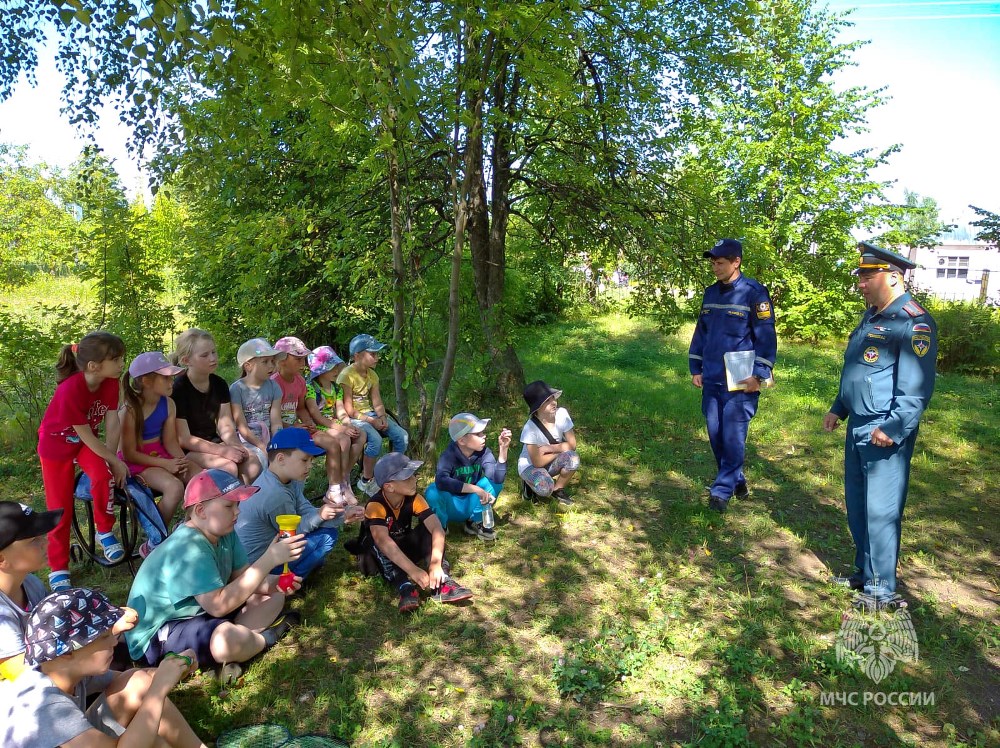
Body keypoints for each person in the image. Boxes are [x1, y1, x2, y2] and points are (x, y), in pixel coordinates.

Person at [823, 242, 937, 611]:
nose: (861, 284)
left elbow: (916, 389)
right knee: (858, 506)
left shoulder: (914, 321)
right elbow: (859, 367)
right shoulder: (873, 316)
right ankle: (864, 572)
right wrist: (839, 408)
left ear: (893, 276)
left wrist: (894, 427)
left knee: (881, 511)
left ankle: (881, 589)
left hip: (883, 431)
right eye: (860, 276)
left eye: (867, 277)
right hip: (858, 424)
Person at [124, 469, 304, 676]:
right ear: (201, 511)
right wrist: (268, 559)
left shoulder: (225, 532)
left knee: (274, 597)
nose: (237, 512)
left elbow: (244, 578)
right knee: (225, 640)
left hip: (201, 614)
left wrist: (277, 584)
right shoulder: (189, 547)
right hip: (160, 633)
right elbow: (218, 606)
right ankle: (265, 639)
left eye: (237, 505)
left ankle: (239, 644)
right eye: (229, 506)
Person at [2, 587, 207, 748]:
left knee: (139, 684)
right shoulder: (47, 707)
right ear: (67, 651)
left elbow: (140, 683)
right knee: (145, 738)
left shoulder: (66, 671)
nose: (114, 643)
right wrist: (159, 689)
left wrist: (176, 667)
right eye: (103, 637)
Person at [688, 238, 777, 514]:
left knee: (733, 436)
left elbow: (766, 336)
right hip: (712, 376)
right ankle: (737, 480)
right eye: (713, 263)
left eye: (720, 262)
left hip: (741, 379)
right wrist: (696, 367)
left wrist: (759, 374)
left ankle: (721, 491)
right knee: (716, 435)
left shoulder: (754, 293)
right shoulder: (710, 293)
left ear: (736, 262)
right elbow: (701, 331)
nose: (715, 267)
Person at [37, 331, 129, 590]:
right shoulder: (70, 390)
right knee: (60, 507)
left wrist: (111, 460)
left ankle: (105, 532)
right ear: (94, 366)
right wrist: (114, 459)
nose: (122, 364)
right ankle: (58, 566)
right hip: (56, 446)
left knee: (102, 476)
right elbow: (86, 434)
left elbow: (112, 421)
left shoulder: (111, 382)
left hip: (84, 444)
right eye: (117, 359)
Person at [347, 453, 472, 613]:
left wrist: (435, 564)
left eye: (413, 475)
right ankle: (404, 587)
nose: (414, 479)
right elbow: (384, 542)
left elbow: (437, 528)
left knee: (427, 529)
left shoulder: (414, 498)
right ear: (389, 486)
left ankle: (442, 581)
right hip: (374, 559)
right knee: (376, 541)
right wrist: (413, 570)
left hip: (402, 547)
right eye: (407, 478)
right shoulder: (375, 505)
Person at [236, 428, 363, 581]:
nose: (310, 466)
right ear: (281, 459)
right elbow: (293, 533)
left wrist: (343, 515)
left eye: (311, 460)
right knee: (327, 536)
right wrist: (320, 515)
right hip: (258, 569)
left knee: (322, 531)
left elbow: (304, 510)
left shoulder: (286, 479)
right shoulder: (275, 494)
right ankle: (289, 581)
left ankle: (302, 565)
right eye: (304, 460)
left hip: (266, 555)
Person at [273, 336, 357, 505]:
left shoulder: (299, 381)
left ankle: (334, 490)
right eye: (298, 359)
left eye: (304, 358)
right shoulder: (274, 383)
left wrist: (307, 422)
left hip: (301, 428)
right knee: (300, 454)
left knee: (333, 444)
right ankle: (292, 497)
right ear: (281, 360)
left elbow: (301, 408)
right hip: (281, 432)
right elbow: (272, 417)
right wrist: (293, 426)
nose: (303, 363)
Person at [171, 328, 256, 482]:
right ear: (186, 360)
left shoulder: (219, 384)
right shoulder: (178, 389)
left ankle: (244, 504)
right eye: (204, 355)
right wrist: (223, 451)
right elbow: (184, 439)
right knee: (228, 467)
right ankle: (225, 504)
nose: (212, 358)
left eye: (214, 352)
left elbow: (226, 425)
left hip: (214, 443)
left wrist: (236, 446)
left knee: (252, 463)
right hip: (188, 451)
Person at [120, 352, 188, 532]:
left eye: (171, 377)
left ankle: (191, 527)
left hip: (160, 454)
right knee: (174, 488)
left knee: (199, 477)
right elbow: (129, 453)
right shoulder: (130, 410)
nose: (171, 382)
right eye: (165, 378)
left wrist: (182, 462)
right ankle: (156, 536)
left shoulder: (169, 404)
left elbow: (171, 442)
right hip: (136, 463)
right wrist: (166, 464)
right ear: (146, 381)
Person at [338, 334, 408, 496]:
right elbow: (348, 409)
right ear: (357, 356)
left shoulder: (372, 375)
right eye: (373, 354)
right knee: (375, 440)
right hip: (354, 418)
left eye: (377, 354)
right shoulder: (346, 376)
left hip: (370, 414)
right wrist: (372, 421)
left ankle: (391, 472)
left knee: (401, 436)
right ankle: (366, 480)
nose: (377, 358)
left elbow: (377, 401)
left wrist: (382, 417)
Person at [0, 502, 62, 683]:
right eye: (34, 540)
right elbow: (23, 678)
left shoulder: (30, 583)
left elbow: (58, 627)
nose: (46, 541)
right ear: (2, 559)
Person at [424, 413, 511, 540]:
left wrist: (503, 449)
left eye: (483, 432)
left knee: (494, 484)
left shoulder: (484, 452)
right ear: (462, 440)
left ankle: (475, 522)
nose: (484, 436)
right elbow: (441, 481)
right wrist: (476, 489)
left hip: (471, 502)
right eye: (478, 434)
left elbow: (496, 478)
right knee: (432, 491)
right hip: (451, 505)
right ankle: (440, 526)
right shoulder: (449, 455)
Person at [305, 345, 367, 501]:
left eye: (336, 367)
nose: (336, 371)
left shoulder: (336, 388)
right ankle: (338, 485)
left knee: (361, 435)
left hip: (334, 424)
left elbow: (340, 410)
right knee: (344, 439)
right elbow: (316, 416)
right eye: (331, 367)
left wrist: (347, 424)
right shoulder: (311, 389)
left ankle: (344, 478)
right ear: (320, 370)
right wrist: (341, 429)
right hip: (319, 427)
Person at [518, 380, 580, 506]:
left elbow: (572, 445)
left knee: (573, 458)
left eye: (552, 398)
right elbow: (537, 462)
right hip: (530, 465)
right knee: (545, 488)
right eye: (547, 401)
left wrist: (550, 448)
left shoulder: (562, 414)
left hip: (549, 459)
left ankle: (558, 489)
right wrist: (561, 449)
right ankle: (529, 484)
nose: (553, 402)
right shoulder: (529, 429)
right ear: (537, 407)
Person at [230, 338, 285, 472]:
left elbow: (276, 421)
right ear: (248, 366)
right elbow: (242, 427)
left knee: (290, 456)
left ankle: (291, 492)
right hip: (247, 440)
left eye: (272, 361)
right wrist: (262, 446)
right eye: (265, 362)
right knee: (259, 460)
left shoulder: (274, 387)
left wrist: (277, 442)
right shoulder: (236, 389)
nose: (271, 366)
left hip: (270, 437)